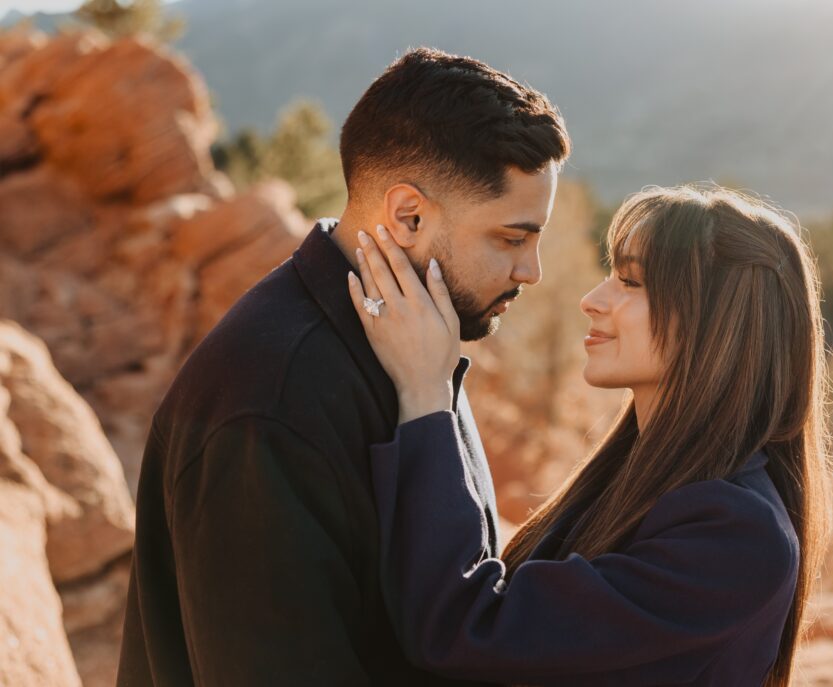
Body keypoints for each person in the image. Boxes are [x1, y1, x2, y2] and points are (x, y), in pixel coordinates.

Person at [117, 47, 570, 686]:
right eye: (511, 238)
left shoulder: (416, 344)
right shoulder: (270, 400)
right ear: (408, 215)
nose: (532, 271)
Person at [347, 184, 833, 686]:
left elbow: (467, 631)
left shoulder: (735, 534)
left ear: (717, 321)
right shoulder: (643, 480)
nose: (592, 300)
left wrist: (426, 391)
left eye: (630, 282)